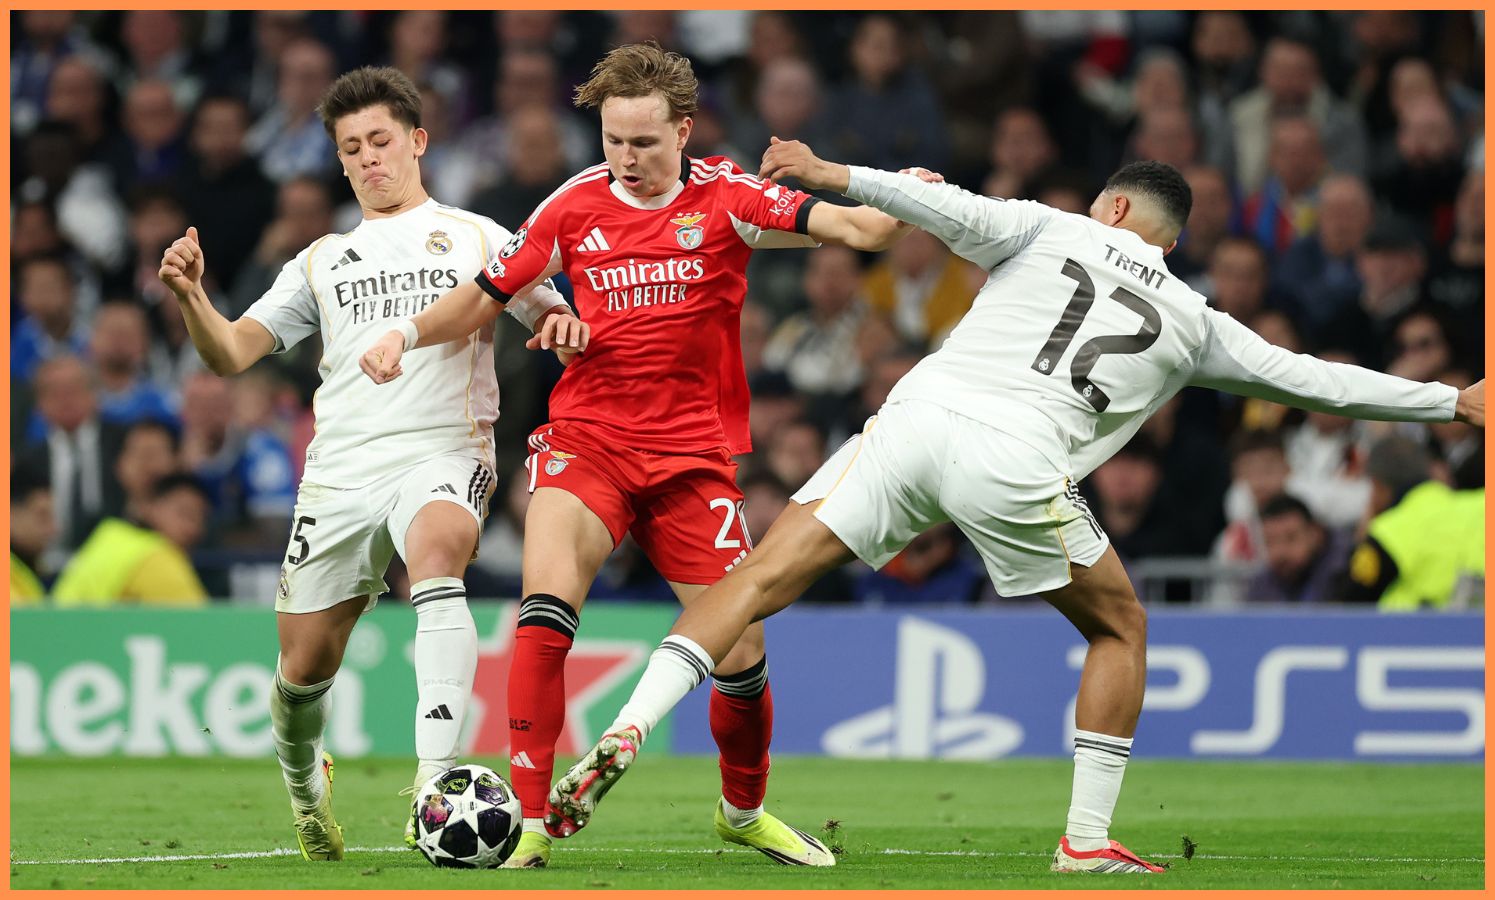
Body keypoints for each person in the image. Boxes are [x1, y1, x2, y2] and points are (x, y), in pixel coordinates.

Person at [548, 144, 1484, 874]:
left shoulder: (1051, 228)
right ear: (1163, 237)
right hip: (1015, 460)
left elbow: (937, 206)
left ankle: (631, 722)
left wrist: (834, 174)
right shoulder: (1197, 319)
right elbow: (1319, 383)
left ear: (1110, 208)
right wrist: (1452, 401)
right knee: (1118, 627)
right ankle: (1083, 841)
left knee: (750, 583)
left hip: (913, 418)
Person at [360, 43, 913, 869]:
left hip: (692, 457)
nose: (627, 158)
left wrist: (895, 189)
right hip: (588, 441)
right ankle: (534, 823)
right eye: (614, 141)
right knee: (544, 610)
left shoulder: (728, 197)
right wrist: (403, 333)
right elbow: (486, 292)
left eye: (645, 143)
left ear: (683, 131)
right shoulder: (574, 204)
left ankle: (741, 810)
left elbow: (862, 227)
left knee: (743, 650)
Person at [156, 66, 576, 863]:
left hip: (444, 448)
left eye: (381, 140)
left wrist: (558, 323)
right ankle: (306, 791)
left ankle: (433, 783)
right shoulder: (321, 258)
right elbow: (233, 353)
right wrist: (191, 299)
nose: (368, 158)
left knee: (439, 552)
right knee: (301, 667)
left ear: (417, 142)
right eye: (351, 147)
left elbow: (545, 304)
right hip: (340, 471)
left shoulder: (478, 235)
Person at [51, 472, 212, 607]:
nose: (193, 529)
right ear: (150, 506)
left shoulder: (109, 535)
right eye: (185, 514)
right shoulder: (156, 555)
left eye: (200, 520)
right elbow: (201, 625)